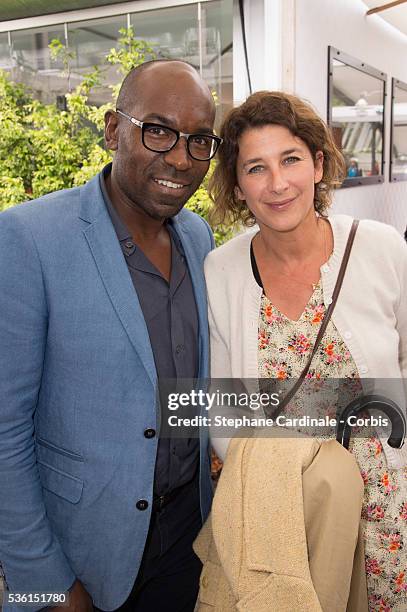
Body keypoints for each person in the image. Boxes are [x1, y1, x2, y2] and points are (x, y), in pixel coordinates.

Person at [0, 59, 221, 612]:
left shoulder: (198, 237)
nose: (179, 157)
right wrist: (46, 582)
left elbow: (188, 391)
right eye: (158, 130)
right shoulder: (29, 238)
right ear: (111, 129)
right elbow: (4, 431)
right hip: (79, 554)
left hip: (186, 541)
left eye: (198, 141)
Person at [199, 91, 407, 610]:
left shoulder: (382, 248)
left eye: (290, 159)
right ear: (237, 184)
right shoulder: (221, 270)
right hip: (287, 510)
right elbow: (223, 404)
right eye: (255, 168)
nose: (277, 184)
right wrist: (287, 469)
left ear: (317, 164)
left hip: (387, 505)